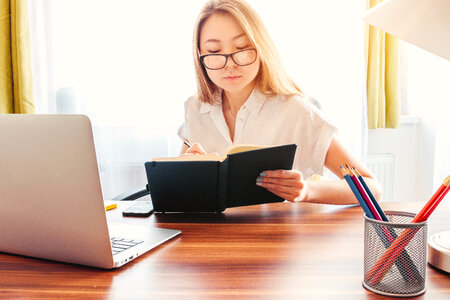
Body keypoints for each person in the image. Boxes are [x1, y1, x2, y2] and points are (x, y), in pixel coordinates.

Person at [178, 0, 382, 204]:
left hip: (278, 232)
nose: (229, 64)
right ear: (200, 55)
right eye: (214, 51)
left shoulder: (294, 110)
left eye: (241, 48)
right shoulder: (195, 109)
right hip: (213, 233)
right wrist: (187, 174)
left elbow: (371, 187)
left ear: (260, 47)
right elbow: (181, 194)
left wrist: (307, 190)